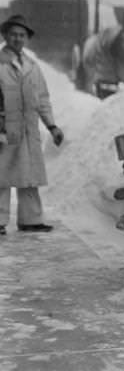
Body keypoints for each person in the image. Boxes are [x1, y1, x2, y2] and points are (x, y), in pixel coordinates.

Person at [0, 15, 64, 234]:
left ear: (26, 38)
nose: (18, 39)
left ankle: (31, 220)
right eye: (13, 34)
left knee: (29, 174)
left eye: (22, 35)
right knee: (2, 175)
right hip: (4, 128)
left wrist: (52, 126)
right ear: (5, 36)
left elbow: (42, 99)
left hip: (28, 129)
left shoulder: (32, 66)